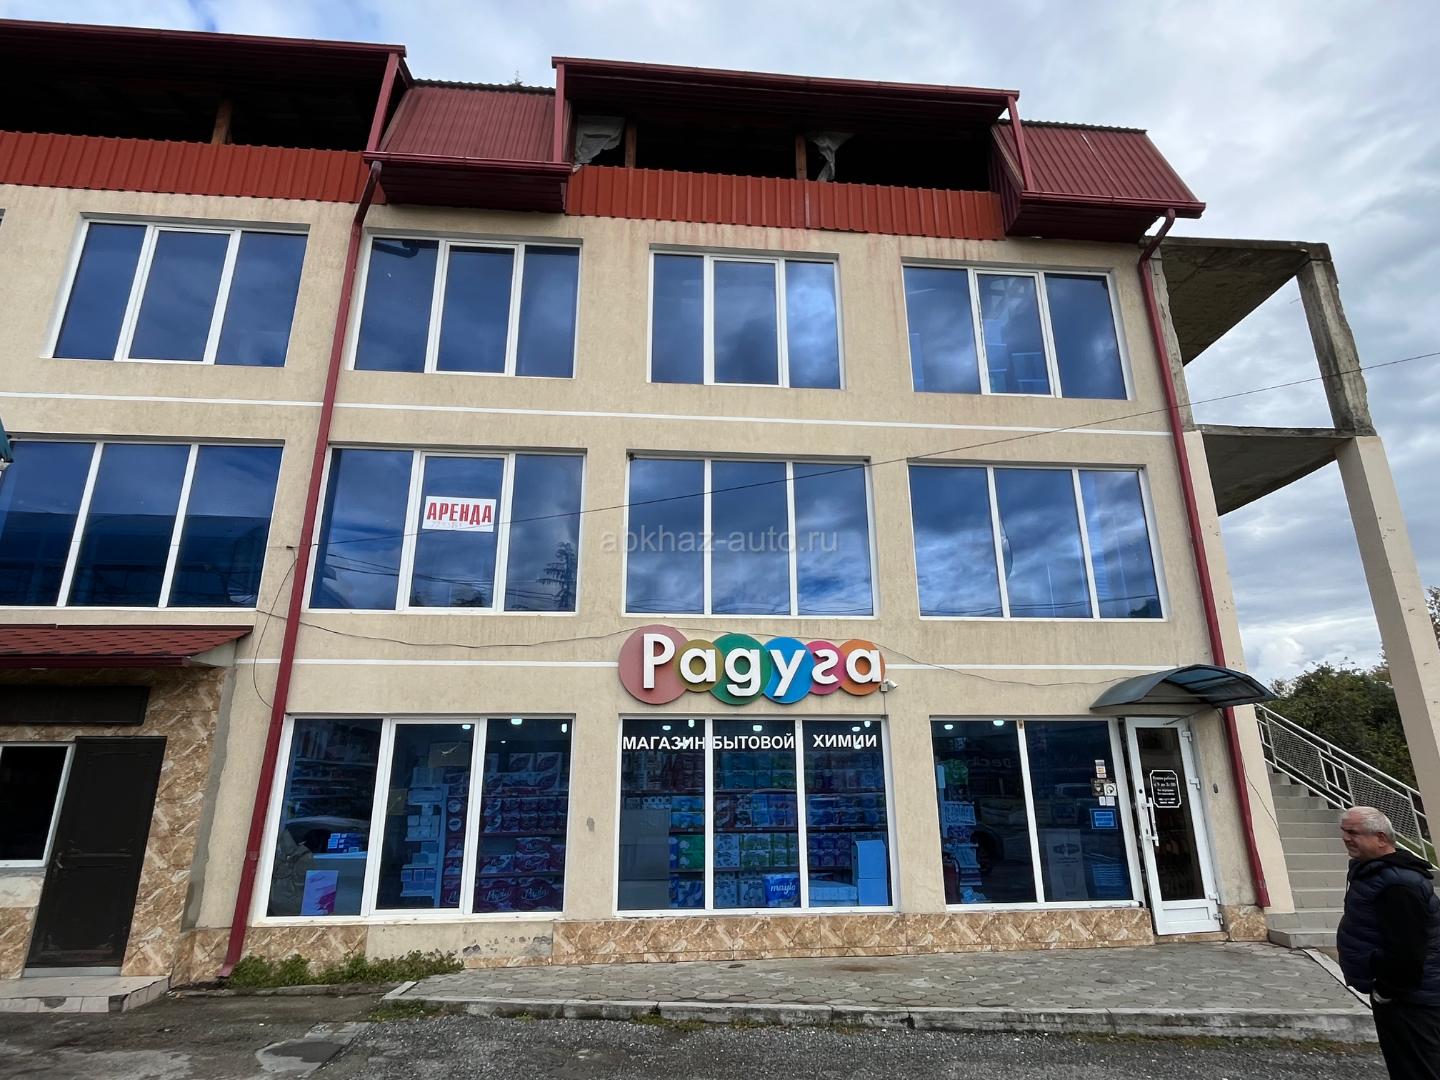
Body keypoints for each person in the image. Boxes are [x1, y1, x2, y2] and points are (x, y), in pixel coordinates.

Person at [1336, 805, 1440, 1078]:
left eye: (1353, 832)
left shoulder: (1398, 885)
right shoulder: (1375, 873)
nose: (1345, 838)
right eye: (1344, 831)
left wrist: (1386, 991)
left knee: (1417, 1071)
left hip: (1411, 1001)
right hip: (1404, 997)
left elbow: (1407, 950)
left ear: (1381, 838)